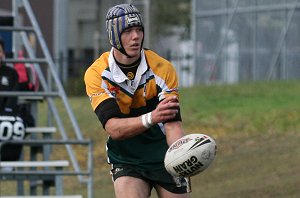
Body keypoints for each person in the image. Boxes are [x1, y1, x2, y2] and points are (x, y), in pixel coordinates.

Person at [84, 4, 190, 198]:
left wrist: (181, 155)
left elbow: (172, 125)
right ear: (114, 36)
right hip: (126, 157)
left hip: (164, 155)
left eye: (139, 30)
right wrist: (152, 117)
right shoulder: (97, 74)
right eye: (128, 31)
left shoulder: (162, 68)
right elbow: (114, 129)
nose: (136, 37)